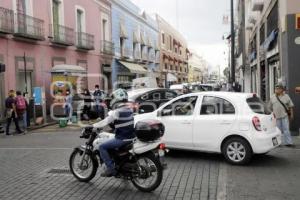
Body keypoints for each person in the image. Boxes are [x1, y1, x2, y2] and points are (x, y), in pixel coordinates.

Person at [92, 100, 135, 177]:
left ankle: (111, 169)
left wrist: (94, 125)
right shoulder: (129, 110)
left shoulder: (117, 112)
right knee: (111, 140)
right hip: (131, 137)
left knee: (102, 147)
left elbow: (106, 121)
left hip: (122, 139)